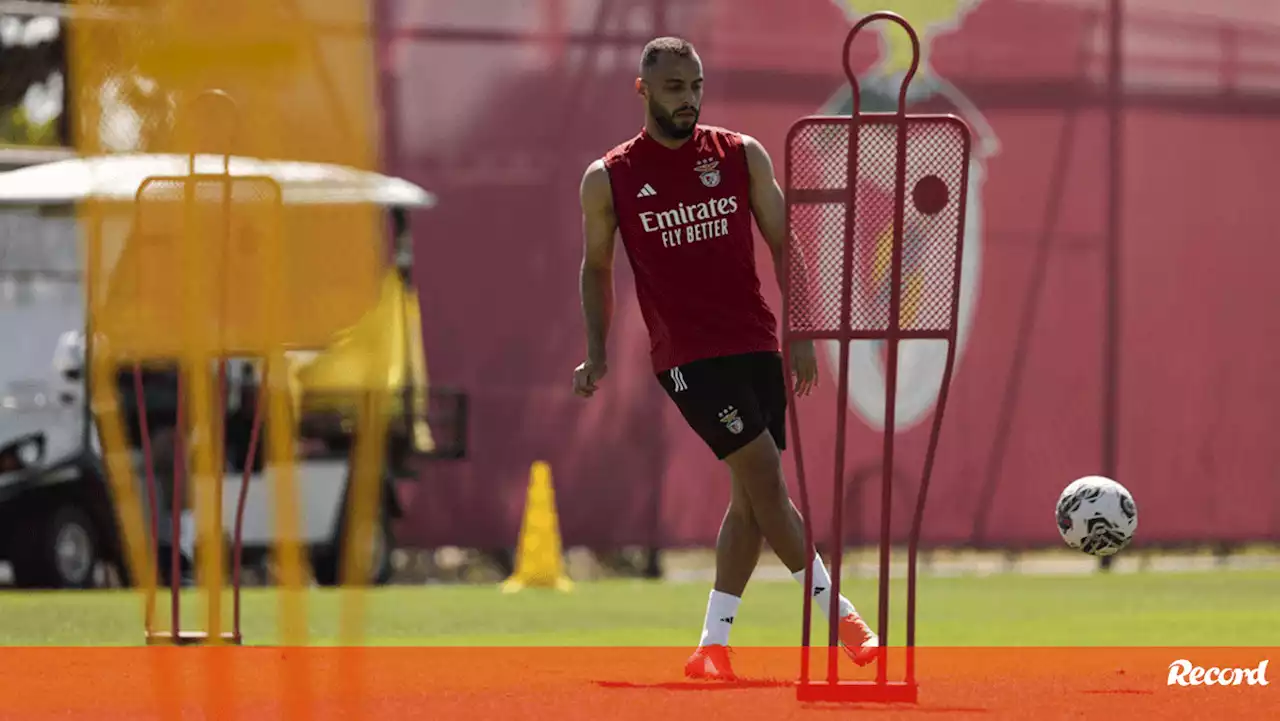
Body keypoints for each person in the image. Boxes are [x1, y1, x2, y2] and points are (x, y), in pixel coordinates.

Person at [572, 36, 879, 681]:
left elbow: (782, 241)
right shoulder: (611, 177)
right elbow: (596, 267)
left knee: (749, 503)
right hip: (688, 356)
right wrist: (597, 351)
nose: (689, 99)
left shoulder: (740, 154)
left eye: (696, 85)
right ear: (644, 91)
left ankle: (712, 647)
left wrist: (800, 334)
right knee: (766, 479)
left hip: (756, 342)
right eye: (674, 88)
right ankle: (843, 619)